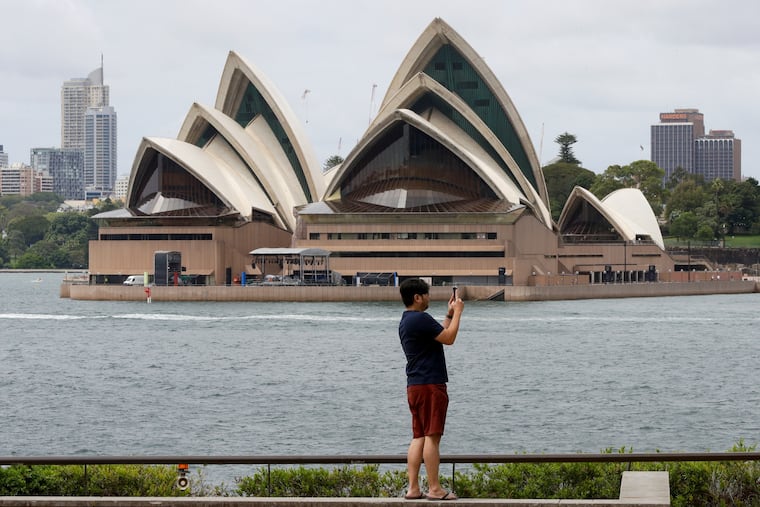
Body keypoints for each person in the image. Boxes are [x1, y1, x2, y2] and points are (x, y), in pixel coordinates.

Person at [398, 278, 463, 500]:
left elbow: (439, 333)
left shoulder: (407, 320)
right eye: (426, 294)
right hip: (430, 384)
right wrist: (460, 312)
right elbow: (449, 338)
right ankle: (435, 489)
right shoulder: (421, 318)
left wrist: (450, 314)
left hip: (415, 385)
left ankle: (413, 488)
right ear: (417, 297)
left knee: (419, 436)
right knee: (432, 437)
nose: (429, 297)